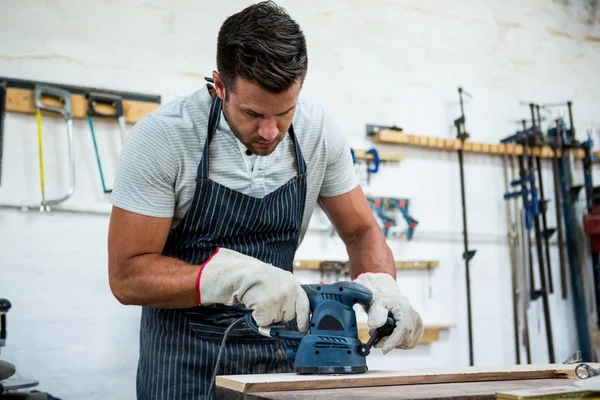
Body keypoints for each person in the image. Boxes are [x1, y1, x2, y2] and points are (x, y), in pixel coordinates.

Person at [107, 2, 424, 399]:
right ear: (220, 85)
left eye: (285, 111)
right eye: (253, 113)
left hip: (282, 359)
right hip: (182, 365)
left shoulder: (319, 132)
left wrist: (383, 286)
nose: (271, 131)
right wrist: (231, 278)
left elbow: (361, 231)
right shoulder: (165, 138)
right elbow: (127, 276)